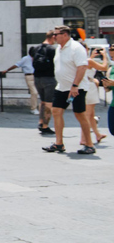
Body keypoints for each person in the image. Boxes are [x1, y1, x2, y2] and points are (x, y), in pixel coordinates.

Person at [42, 26, 95, 155]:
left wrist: (75, 85)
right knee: (56, 111)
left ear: (65, 35)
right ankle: (59, 143)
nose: (53, 37)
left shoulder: (76, 48)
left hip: (77, 88)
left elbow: (82, 67)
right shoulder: (59, 49)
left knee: (79, 114)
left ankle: (89, 144)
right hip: (62, 87)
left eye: (56, 35)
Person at [80, 44, 107, 145]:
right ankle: (83, 138)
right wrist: (104, 56)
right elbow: (104, 67)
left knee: (91, 114)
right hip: (89, 87)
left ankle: (97, 134)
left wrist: (92, 57)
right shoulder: (88, 61)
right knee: (87, 115)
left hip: (86, 85)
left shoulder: (82, 60)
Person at [32, 31, 57, 135]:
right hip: (49, 78)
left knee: (42, 101)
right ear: (53, 37)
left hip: (37, 78)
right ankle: (45, 126)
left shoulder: (36, 48)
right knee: (48, 103)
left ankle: (40, 122)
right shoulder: (52, 49)